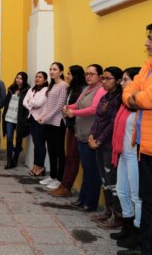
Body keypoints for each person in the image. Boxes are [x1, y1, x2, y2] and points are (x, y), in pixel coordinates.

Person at [122, 20, 152, 255]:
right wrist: (135, 96)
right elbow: (129, 91)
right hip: (144, 146)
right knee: (148, 202)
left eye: (150, 38)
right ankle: (146, 249)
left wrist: (136, 97)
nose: (146, 43)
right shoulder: (148, 66)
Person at [64, 64, 106, 212]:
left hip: (91, 135)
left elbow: (94, 109)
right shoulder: (86, 89)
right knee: (86, 169)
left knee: (92, 171)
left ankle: (91, 202)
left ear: (100, 76)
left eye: (92, 74)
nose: (88, 76)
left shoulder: (100, 90)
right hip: (80, 133)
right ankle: (82, 199)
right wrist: (69, 108)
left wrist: (74, 113)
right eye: (87, 74)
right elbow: (78, 104)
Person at [110, 67, 141, 250]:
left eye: (126, 80)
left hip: (134, 154)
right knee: (122, 191)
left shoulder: (139, 105)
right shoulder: (124, 103)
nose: (122, 83)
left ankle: (138, 232)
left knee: (136, 195)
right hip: (122, 152)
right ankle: (127, 226)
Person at [89, 66, 123, 229]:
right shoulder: (105, 96)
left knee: (112, 181)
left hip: (108, 144)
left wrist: (99, 140)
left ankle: (117, 215)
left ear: (117, 81)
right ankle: (108, 210)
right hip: (98, 142)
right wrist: (91, 135)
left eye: (108, 78)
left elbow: (112, 124)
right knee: (104, 179)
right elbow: (98, 119)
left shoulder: (119, 99)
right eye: (103, 78)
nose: (104, 81)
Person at [49, 65, 86, 197]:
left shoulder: (82, 89)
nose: (68, 76)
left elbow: (81, 107)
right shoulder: (71, 88)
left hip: (77, 126)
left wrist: (69, 110)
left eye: (70, 74)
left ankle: (67, 185)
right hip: (69, 125)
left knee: (73, 157)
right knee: (69, 156)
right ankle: (64, 184)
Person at [37, 62, 68, 190]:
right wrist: (42, 116)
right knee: (51, 150)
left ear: (61, 72)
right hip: (48, 122)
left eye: (55, 69)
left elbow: (59, 106)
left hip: (58, 122)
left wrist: (46, 118)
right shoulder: (52, 85)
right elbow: (48, 105)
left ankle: (60, 179)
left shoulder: (63, 85)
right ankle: (53, 176)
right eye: (50, 69)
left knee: (60, 151)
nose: (51, 71)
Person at [2, 71, 30, 169]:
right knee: (9, 139)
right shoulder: (11, 89)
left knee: (18, 140)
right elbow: (6, 102)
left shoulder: (27, 90)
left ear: (24, 80)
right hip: (9, 117)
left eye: (21, 78)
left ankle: (15, 160)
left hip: (19, 119)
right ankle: (9, 161)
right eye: (17, 77)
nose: (18, 80)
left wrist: (25, 119)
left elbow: (28, 106)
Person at [23, 71, 48, 176]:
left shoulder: (46, 90)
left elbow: (39, 103)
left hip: (40, 119)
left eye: (40, 77)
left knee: (40, 144)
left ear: (45, 80)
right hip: (31, 119)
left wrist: (30, 101)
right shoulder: (31, 89)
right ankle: (35, 165)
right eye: (36, 77)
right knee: (35, 143)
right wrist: (31, 104)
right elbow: (24, 102)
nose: (37, 79)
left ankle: (40, 166)